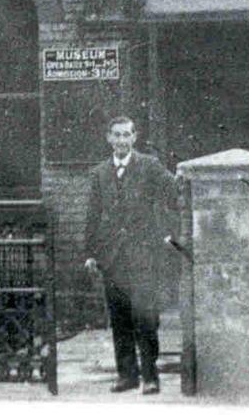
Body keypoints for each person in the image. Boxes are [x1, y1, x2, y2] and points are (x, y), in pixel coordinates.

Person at [83, 115, 179, 395]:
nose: (122, 140)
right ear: (109, 138)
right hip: (112, 258)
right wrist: (90, 253)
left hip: (143, 257)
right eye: (117, 135)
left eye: (127, 135)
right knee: (120, 318)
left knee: (145, 318)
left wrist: (184, 177)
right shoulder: (99, 174)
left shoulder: (149, 166)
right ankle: (127, 376)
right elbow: (92, 216)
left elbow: (173, 193)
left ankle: (150, 377)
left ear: (135, 137)